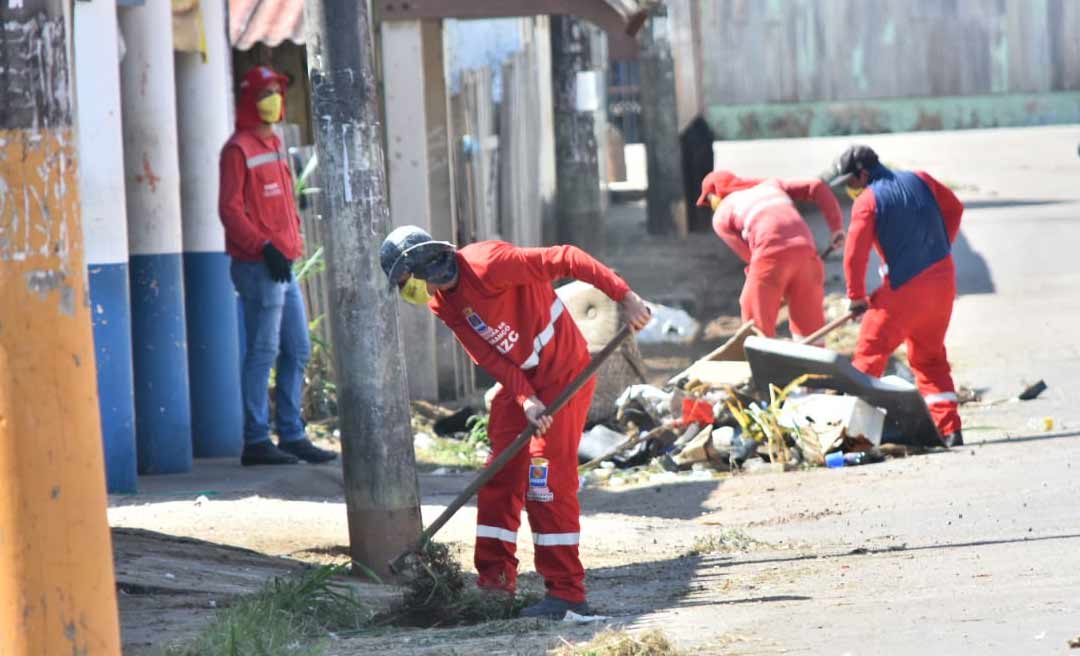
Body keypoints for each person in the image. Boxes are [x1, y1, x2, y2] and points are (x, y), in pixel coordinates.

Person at [379, 227, 651, 619]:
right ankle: (495, 583)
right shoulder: (442, 303)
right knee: (499, 475)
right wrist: (525, 398)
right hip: (521, 380)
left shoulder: (490, 264)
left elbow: (567, 256)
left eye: (406, 281)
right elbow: (487, 355)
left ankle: (567, 594)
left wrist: (624, 295)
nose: (408, 292)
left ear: (424, 265)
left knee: (545, 482)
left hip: (562, 371)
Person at [218, 66, 336, 466]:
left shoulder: (275, 142)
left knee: (297, 348)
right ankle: (256, 439)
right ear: (249, 100)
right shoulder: (238, 149)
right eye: (264, 93)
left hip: (283, 264)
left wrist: (283, 246)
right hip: (258, 265)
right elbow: (230, 210)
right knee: (263, 350)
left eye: (276, 91)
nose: (273, 99)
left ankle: (291, 433)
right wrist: (263, 245)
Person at [830, 145, 964, 447]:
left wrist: (856, 297)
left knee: (869, 355)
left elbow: (855, 255)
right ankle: (950, 429)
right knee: (930, 359)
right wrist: (938, 249)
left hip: (904, 288)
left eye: (850, 182)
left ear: (863, 174)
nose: (849, 189)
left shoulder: (867, 201)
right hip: (943, 283)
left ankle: (851, 435)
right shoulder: (921, 179)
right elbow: (955, 208)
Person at [696, 170, 845, 340]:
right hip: (808, 255)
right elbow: (816, 186)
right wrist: (836, 228)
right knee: (811, 331)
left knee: (753, 321)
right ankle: (812, 353)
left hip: (770, 258)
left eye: (710, 201)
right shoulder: (772, 185)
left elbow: (750, 257)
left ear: (715, 194)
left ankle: (760, 351)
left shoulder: (722, 214)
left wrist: (770, 289)